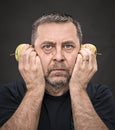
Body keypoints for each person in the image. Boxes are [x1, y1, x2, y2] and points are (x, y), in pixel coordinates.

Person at [0, 13, 115, 130]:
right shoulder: (8, 94)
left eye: (68, 46)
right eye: (48, 46)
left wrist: (78, 89)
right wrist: (34, 89)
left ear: (82, 51)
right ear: (30, 53)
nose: (59, 57)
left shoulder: (100, 95)